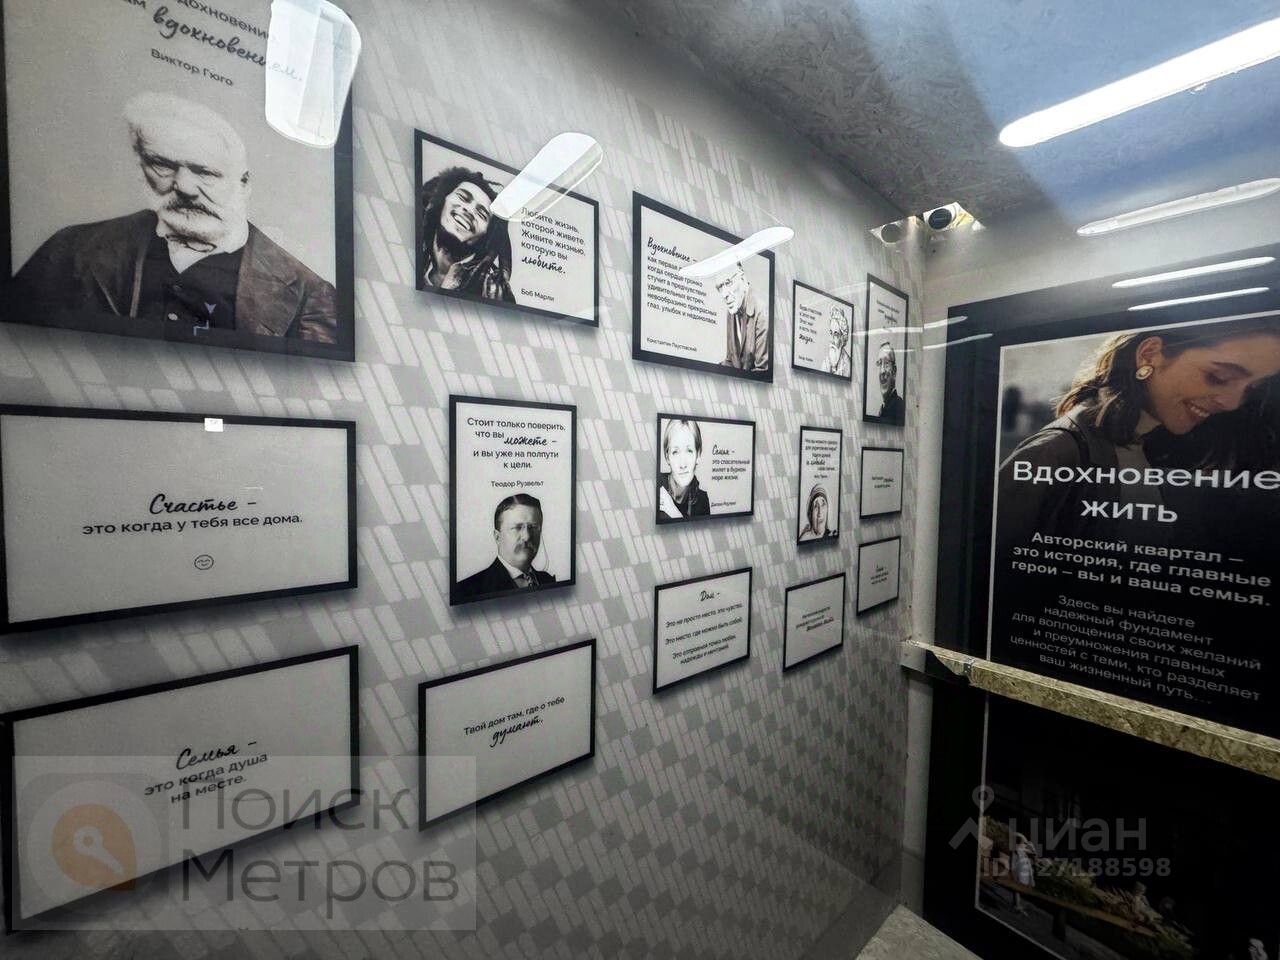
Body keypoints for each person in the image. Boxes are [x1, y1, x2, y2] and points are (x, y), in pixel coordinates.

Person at [12, 93, 338, 342]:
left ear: (244, 183)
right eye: (162, 165)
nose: (184, 187)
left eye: (204, 172)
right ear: (141, 167)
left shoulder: (309, 295)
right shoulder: (70, 252)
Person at [996, 318, 1280, 549]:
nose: (1231, 403)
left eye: (1251, 389)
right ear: (1149, 354)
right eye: (1220, 377)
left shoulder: (1162, 445)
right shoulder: (1056, 451)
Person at [419, 166, 514, 302]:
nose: (469, 211)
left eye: (482, 213)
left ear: (487, 234)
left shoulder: (493, 290)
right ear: (442, 199)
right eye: (463, 197)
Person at [454, 493, 555, 601]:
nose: (527, 536)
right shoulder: (466, 590)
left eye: (533, 527)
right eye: (517, 527)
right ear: (497, 537)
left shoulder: (547, 580)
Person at [715, 262, 769, 372]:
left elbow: (762, 371)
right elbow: (731, 361)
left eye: (728, 283)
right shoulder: (732, 309)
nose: (724, 294)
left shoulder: (762, 310)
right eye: (720, 287)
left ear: (743, 278)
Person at [657, 419, 710, 520]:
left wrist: (674, 512)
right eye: (675, 452)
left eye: (689, 451)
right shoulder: (656, 486)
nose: (682, 464)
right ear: (667, 457)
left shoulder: (702, 501)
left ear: (698, 455)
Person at [873, 341, 904, 422]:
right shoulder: (885, 407)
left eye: (886, 363)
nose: (882, 371)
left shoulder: (899, 407)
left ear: (894, 371)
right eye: (879, 363)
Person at [827, 305, 851, 377]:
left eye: (836, 334)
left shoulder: (847, 364)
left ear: (842, 338)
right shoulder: (826, 361)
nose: (832, 339)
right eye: (831, 333)